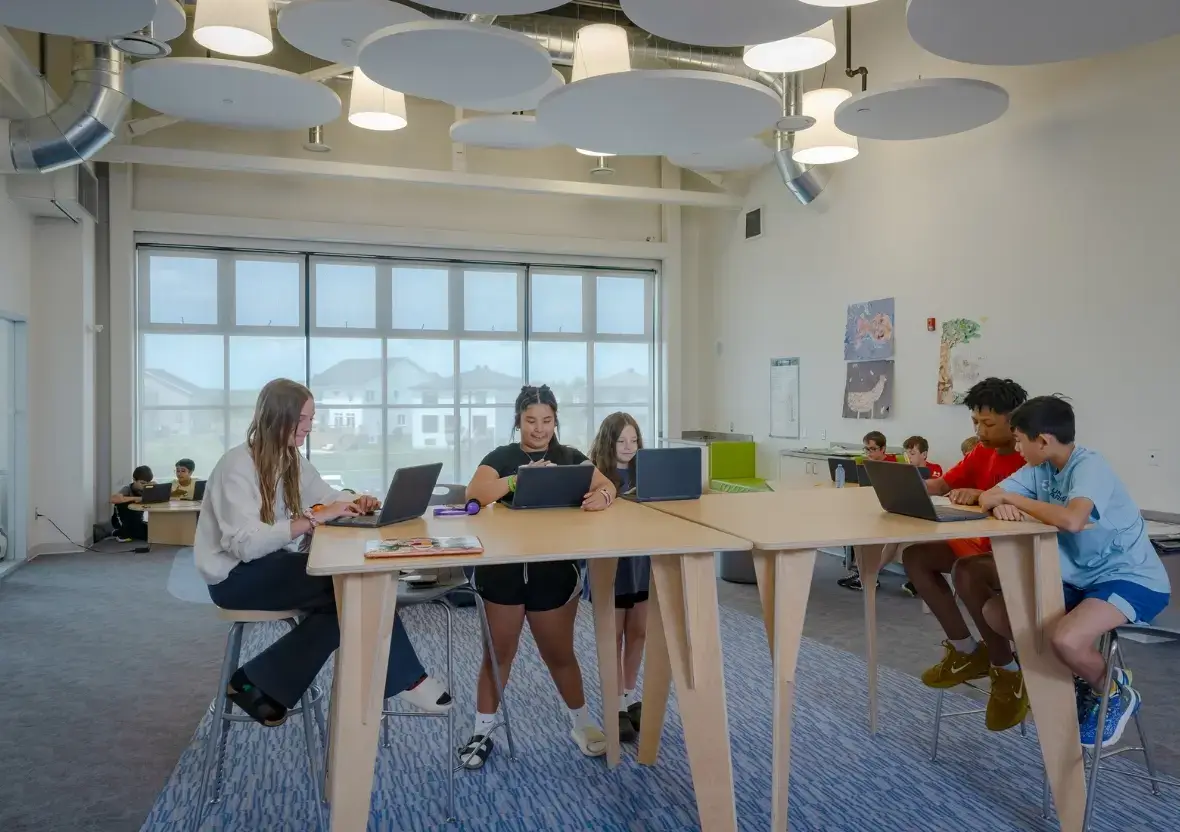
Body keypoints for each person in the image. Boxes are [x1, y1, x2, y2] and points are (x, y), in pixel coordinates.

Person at [195, 378, 450, 728]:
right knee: (352, 588)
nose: (308, 428)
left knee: (349, 599)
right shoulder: (237, 466)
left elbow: (325, 493)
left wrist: (353, 500)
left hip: (268, 564)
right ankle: (410, 679)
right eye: (303, 419)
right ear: (278, 417)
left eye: (311, 419)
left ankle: (255, 683)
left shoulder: (289, 459)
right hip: (235, 576)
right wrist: (311, 519)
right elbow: (246, 545)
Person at [978, 396, 1170, 748]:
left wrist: (1015, 501)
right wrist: (1001, 500)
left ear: (1043, 441)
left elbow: (1072, 519)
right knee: (997, 612)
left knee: (1066, 639)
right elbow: (990, 496)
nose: (1016, 448)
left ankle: (1113, 690)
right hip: (1078, 578)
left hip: (1129, 577)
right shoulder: (1040, 469)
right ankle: (1082, 676)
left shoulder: (1089, 466)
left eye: (1020, 440)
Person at [460, 384, 617, 769]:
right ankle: (482, 731)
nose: (539, 428)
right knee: (498, 654)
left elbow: (606, 484)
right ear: (518, 421)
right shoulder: (502, 457)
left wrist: (604, 497)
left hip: (553, 572)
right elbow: (474, 495)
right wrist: (518, 479)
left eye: (546, 420)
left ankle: (581, 724)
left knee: (559, 654)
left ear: (555, 421)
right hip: (504, 572)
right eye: (531, 420)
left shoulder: (569, 457)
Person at [901, 377, 1030, 731]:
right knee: (916, 556)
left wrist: (982, 494)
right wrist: (905, 483)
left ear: (1014, 418)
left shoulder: (1029, 455)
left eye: (988, 423)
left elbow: (1024, 500)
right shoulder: (980, 451)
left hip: (1017, 554)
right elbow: (943, 484)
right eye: (975, 422)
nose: (980, 430)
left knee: (967, 572)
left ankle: (1007, 670)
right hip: (982, 544)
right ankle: (966, 651)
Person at [586, 412, 649, 743]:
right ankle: (614, 704)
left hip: (642, 563)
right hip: (611, 565)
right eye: (622, 440)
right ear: (609, 442)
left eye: (634, 440)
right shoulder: (596, 475)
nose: (628, 447)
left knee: (638, 632)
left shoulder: (647, 471)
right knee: (615, 635)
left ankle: (628, 694)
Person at [110, 465, 153, 541]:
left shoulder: (146, 489)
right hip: (122, 522)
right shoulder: (127, 489)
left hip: (137, 521)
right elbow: (113, 499)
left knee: (152, 532)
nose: (145, 486)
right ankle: (119, 531)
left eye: (147, 483)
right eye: (142, 483)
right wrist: (137, 498)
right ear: (134, 480)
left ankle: (127, 532)